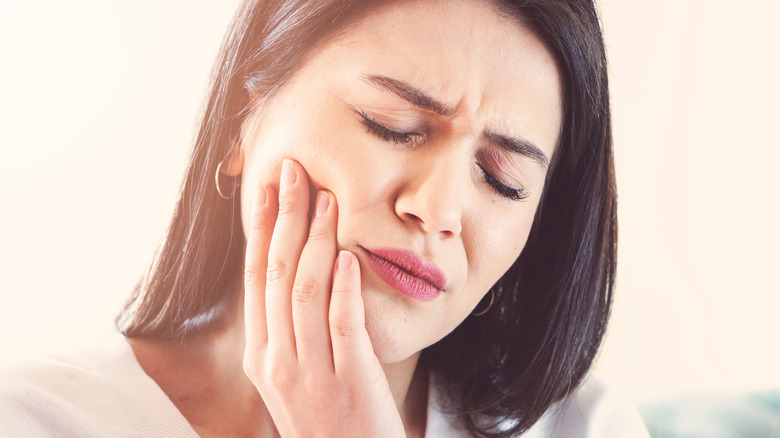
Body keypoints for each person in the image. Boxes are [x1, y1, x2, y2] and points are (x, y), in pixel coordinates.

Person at [1, 0, 649, 436]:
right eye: (392, 126)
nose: (437, 209)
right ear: (241, 122)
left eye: (502, 181)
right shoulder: (35, 418)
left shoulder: (584, 426)